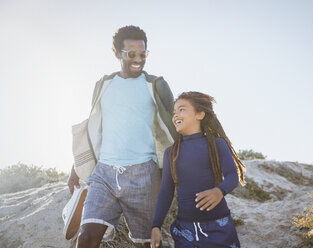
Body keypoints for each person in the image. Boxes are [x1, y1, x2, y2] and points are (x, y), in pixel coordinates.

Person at [67, 25, 177, 248]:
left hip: (145, 174)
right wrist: (75, 168)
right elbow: (94, 129)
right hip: (104, 174)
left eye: (143, 54)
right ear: (117, 54)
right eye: (131, 54)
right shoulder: (103, 86)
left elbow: (175, 125)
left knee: (147, 243)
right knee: (86, 237)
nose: (138, 59)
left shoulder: (155, 85)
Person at [150, 91, 246, 248]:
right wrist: (156, 225)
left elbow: (232, 176)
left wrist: (219, 191)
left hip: (219, 227)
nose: (175, 116)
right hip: (185, 231)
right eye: (174, 112)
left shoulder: (217, 144)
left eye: (181, 109)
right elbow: (166, 191)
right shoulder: (171, 153)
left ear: (200, 114)